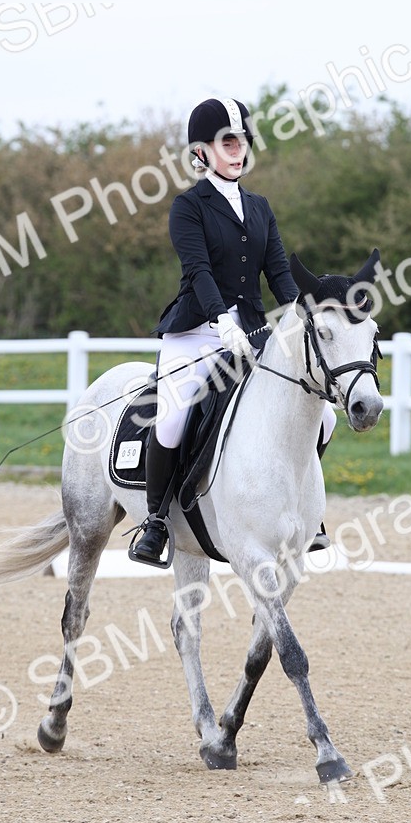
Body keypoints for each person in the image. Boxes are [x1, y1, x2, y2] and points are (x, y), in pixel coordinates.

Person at [130, 96, 336, 567]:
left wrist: (304, 316)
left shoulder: (260, 207)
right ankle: (156, 521)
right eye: (227, 142)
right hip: (198, 332)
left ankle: (305, 509)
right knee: (173, 416)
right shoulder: (188, 207)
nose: (238, 150)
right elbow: (198, 271)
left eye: (241, 141)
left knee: (322, 414)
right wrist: (222, 320)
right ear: (201, 151)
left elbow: (279, 273)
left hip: (255, 332)